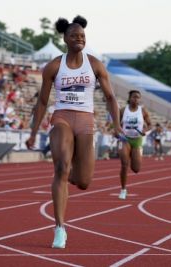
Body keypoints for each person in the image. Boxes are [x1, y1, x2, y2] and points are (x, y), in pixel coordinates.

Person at [25, 16, 123, 249]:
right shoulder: (54, 66)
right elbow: (41, 101)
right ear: (65, 39)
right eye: (74, 36)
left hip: (86, 121)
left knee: (83, 181)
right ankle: (59, 228)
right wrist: (32, 132)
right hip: (62, 118)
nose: (79, 39)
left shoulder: (95, 64)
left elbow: (110, 97)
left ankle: (66, 174)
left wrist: (117, 124)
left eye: (82, 36)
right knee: (60, 168)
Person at [118, 90, 151, 200]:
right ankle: (123, 189)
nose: (136, 99)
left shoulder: (143, 111)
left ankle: (134, 154)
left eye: (138, 97)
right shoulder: (123, 110)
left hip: (137, 140)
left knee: (136, 169)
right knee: (124, 164)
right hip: (125, 139)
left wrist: (145, 131)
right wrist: (117, 133)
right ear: (130, 98)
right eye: (134, 97)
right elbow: (116, 124)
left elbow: (150, 125)